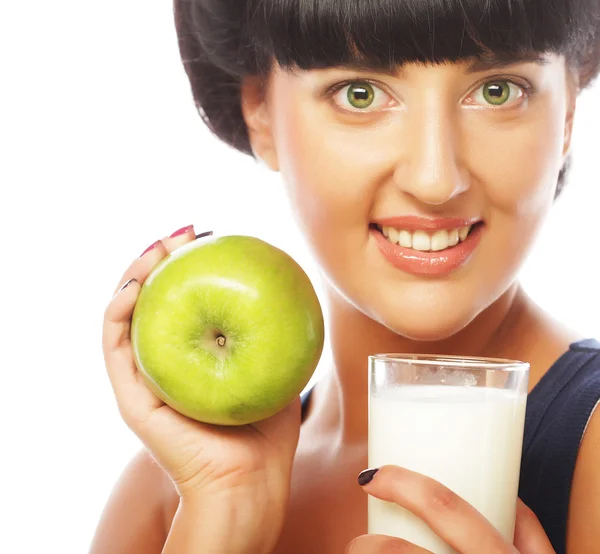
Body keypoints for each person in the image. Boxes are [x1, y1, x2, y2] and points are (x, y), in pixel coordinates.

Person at [91, 0, 600, 552]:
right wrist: (227, 514)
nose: (435, 179)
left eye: (498, 89)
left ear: (569, 111)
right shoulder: (169, 500)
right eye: (361, 93)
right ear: (260, 111)